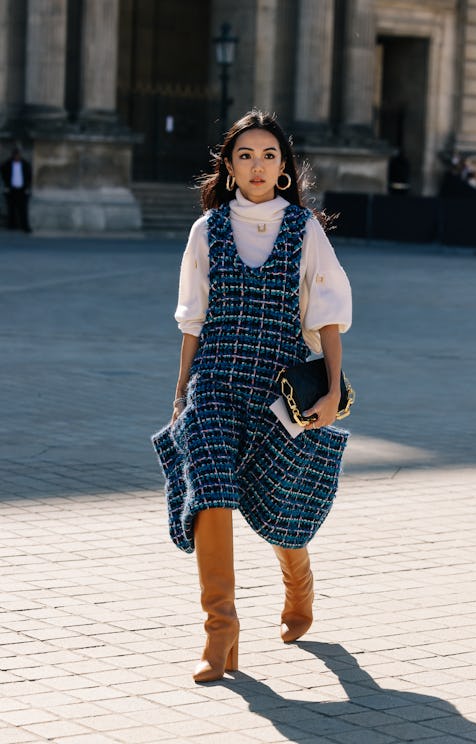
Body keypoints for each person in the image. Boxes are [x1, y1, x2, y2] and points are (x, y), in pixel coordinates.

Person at [152, 110, 352, 683]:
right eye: (245, 155)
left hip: (279, 383)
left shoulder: (304, 229)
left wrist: (333, 388)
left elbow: (328, 315)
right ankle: (221, 632)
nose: (257, 165)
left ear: (284, 167)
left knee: (280, 506)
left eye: (269, 155)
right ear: (229, 167)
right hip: (214, 377)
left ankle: (298, 581)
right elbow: (192, 319)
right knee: (211, 489)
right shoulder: (206, 230)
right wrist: (181, 391)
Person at [1, 147, 32, 232]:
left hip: (22, 189)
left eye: (18, 155)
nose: (17, 157)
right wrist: (7, 186)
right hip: (12, 189)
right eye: (15, 155)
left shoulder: (25, 164)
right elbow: (4, 174)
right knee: (11, 208)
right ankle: (12, 225)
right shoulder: (7, 164)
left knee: (23, 209)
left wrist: (27, 187)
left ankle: (24, 226)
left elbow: (29, 176)